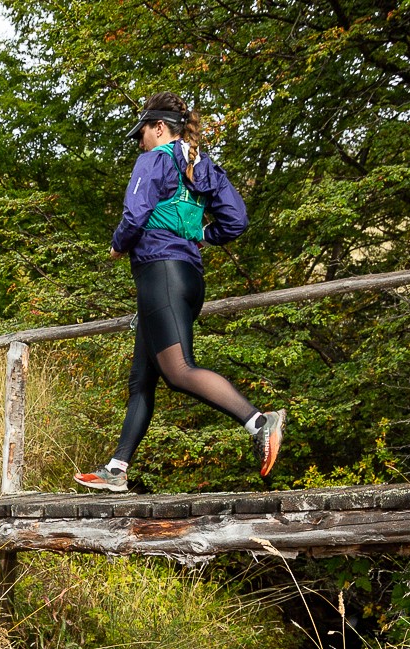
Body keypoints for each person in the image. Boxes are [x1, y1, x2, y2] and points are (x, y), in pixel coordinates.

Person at [74, 92, 285, 493]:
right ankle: (117, 469)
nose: (139, 142)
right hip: (187, 278)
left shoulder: (154, 159)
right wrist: (202, 234)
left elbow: (135, 214)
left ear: (159, 128)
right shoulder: (202, 165)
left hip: (161, 274)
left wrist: (119, 243)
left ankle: (259, 422)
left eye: (143, 133)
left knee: (179, 370)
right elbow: (236, 220)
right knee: (142, 378)